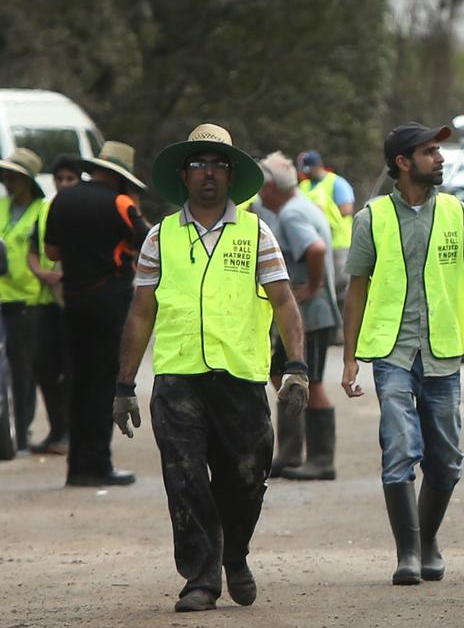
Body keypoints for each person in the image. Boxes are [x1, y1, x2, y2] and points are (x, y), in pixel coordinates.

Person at [112, 123, 308, 612]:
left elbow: (284, 302)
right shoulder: (160, 237)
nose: (208, 173)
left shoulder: (256, 232)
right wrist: (123, 385)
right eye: (198, 163)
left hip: (240, 377)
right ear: (184, 174)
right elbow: (140, 311)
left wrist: (298, 366)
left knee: (246, 477)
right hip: (178, 377)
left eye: (218, 164)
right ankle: (200, 577)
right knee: (184, 478)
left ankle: (234, 554)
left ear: (231, 174)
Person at [341, 121, 464, 586]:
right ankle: (408, 552)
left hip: (443, 352)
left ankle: (427, 537)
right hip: (392, 352)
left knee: (447, 458)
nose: (440, 158)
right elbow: (357, 290)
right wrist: (350, 356)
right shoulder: (371, 219)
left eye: (438, 150)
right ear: (402, 162)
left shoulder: (457, 212)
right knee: (399, 448)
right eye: (430, 151)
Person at [44, 140, 148, 486]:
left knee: (77, 381)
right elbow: (147, 243)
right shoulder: (121, 203)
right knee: (104, 382)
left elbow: (52, 251)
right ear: (120, 176)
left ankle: (77, 466)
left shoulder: (63, 198)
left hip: (72, 300)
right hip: (109, 301)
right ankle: (98, 464)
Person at [258, 152, 342, 480]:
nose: (260, 194)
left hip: (313, 314)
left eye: (263, 187)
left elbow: (317, 249)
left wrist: (313, 285)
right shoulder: (298, 206)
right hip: (307, 313)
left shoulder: (292, 214)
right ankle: (290, 452)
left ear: (273, 188)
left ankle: (321, 460)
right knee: (280, 373)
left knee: (314, 382)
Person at [27, 154, 81, 455]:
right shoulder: (46, 209)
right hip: (48, 300)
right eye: (59, 179)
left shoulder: (85, 209)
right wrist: (41, 273)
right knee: (45, 367)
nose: (63, 184)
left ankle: (72, 432)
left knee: (73, 370)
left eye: (69, 179)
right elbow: (33, 250)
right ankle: (57, 430)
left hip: (76, 300)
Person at [0, 148, 49, 454]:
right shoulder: (2, 206)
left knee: (23, 368)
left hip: (28, 300)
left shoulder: (42, 210)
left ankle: (23, 430)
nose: (8, 182)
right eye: (5, 176)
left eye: (14, 177)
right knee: (4, 368)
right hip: (1, 295)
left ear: (27, 180)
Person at [297, 150, 355, 301]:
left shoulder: (337, 183)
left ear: (319, 166)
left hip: (338, 244)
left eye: (310, 170)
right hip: (314, 243)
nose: (307, 174)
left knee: (340, 284)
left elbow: (347, 209)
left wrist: (321, 215)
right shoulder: (304, 186)